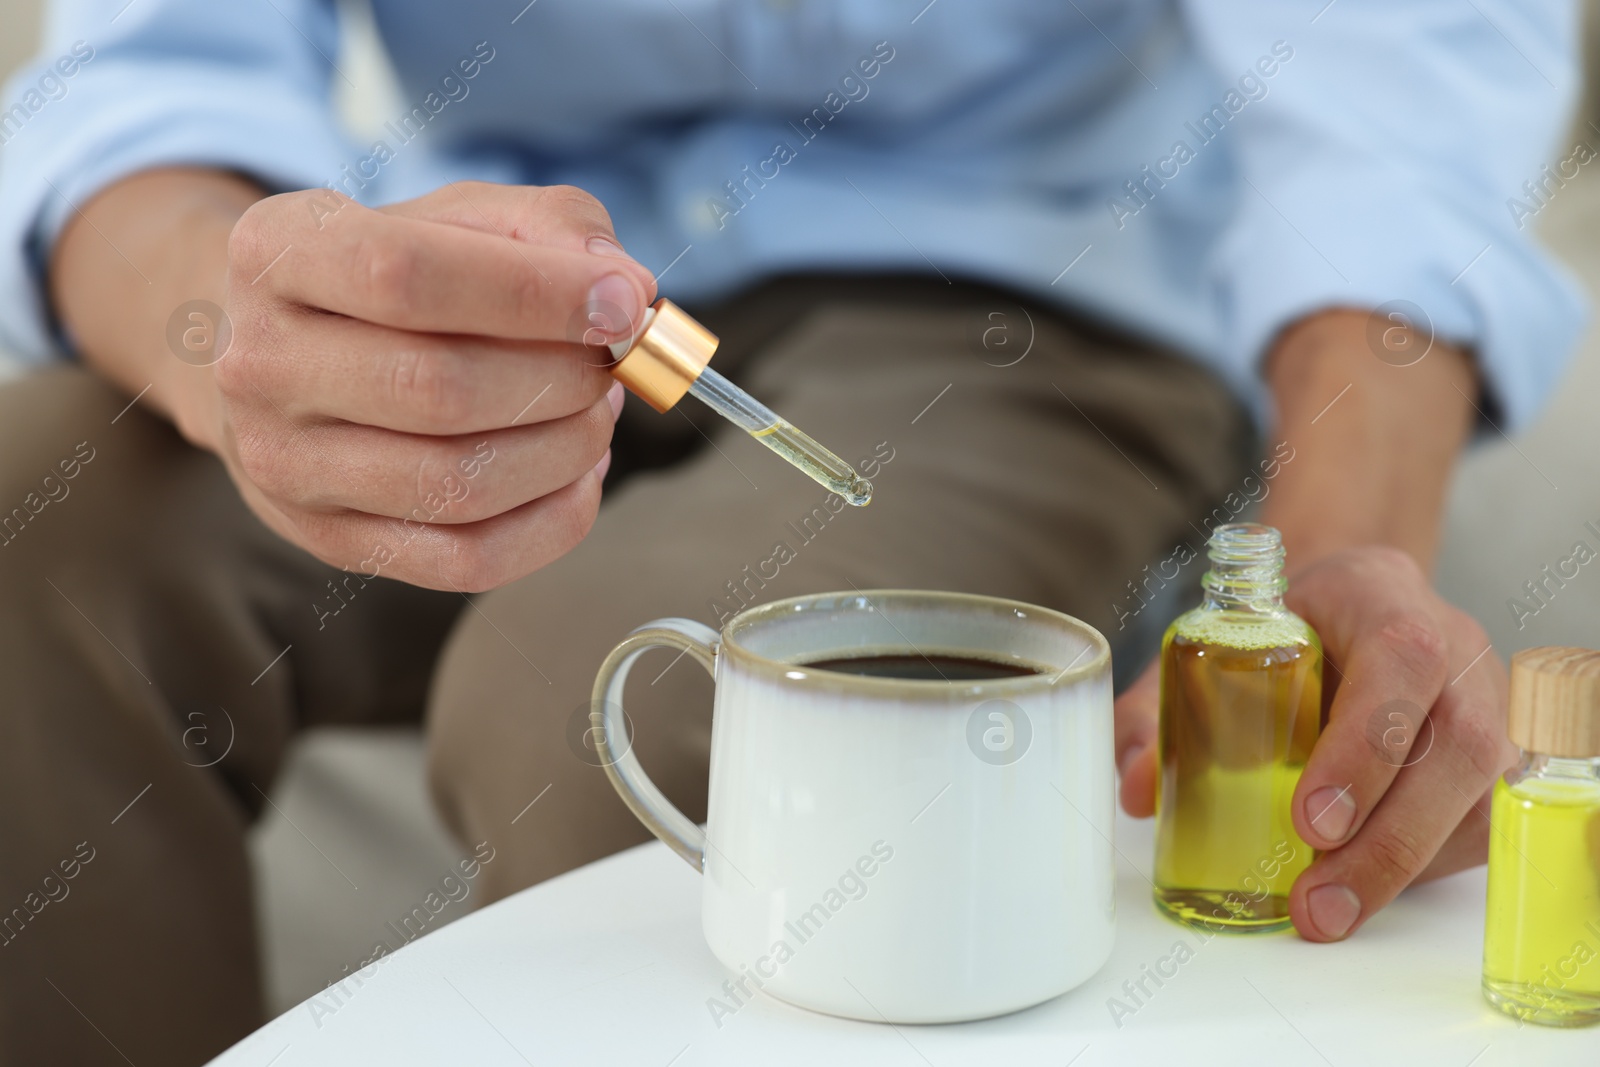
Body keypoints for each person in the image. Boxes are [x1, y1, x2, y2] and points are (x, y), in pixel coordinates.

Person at [0, 0, 1581, 1062]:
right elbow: (145, 75)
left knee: (672, 699)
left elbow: (1390, 83)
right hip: (509, 253)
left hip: (1021, 292)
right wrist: (252, 340)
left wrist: (1339, 548)